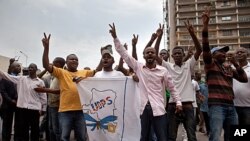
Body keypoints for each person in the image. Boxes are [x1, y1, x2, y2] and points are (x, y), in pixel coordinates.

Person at [109, 23, 182, 141]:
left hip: (158, 109)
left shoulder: (163, 71)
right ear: (143, 55)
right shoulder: (138, 67)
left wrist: (178, 102)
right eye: (147, 52)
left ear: (155, 55)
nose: (149, 54)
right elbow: (124, 54)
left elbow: (172, 88)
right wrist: (115, 37)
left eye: (152, 52)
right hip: (142, 110)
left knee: (162, 137)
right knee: (143, 138)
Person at [201, 8, 248, 141]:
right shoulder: (210, 65)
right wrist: (205, 25)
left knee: (233, 135)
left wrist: (236, 64)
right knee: (215, 136)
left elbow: (244, 79)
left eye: (225, 51)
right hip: (216, 106)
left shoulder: (228, 68)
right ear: (213, 55)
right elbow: (205, 45)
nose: (224, 53)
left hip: (231, 106)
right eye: (220, 52)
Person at [155, 18, 202, 141]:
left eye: (179, 53)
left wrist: (192, 33)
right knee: (171, 136)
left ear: (183, 54)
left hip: (187, 105)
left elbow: (199, 50)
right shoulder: (168, 66)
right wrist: (159, 37)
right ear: (172, 56)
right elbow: (155, 55)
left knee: (192, 136)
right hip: (172, 105)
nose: (177, 55)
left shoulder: (189, 64)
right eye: (174, 53)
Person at [42, 33, 94, 141]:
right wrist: (46, 48)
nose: (74, 61)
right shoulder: (61, 72)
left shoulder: (84, 72)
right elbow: (46, 65)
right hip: (65, 111)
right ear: (66, 62)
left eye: (76, 59)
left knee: (81, 137)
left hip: (81, 111)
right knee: (64, 137)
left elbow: (97, 71)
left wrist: (103, 55)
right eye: (71, 59)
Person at [0, 63, 47, 141]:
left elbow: (43, 96)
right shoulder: (21, 79)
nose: (30, 68)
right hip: (23, 109)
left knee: (35, 129)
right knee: (23, 129)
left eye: (32, 67)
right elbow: (7, 76)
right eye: (29, 67)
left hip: (34, 109)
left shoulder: (40, 82)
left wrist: (44, 108)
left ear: (36, 69)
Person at [0, 60, 20, 141]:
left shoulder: (21, 78)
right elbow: (2, 91)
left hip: (18, 104)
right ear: (12, 68)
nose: (20, 68)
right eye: (17, 66)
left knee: (18, 124)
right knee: (7, 125)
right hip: (8, 105)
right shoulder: (6, 78)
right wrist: (10, 100)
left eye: (20, 66)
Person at [233, 47, 250, 125]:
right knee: (236, 132)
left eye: (242, 52)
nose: (239, 53)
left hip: (248, 106)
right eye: (237, 52)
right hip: (233, 106)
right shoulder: (231, 69)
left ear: (247, 54)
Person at [195, 72, 210, 136]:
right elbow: (197, 93)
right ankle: (206, 130)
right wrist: (200, 98)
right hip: (203, 105)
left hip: (210, 105)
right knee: (204, 119)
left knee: (210, 119)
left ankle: (206, 129)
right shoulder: (201, 85)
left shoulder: (212, 86)